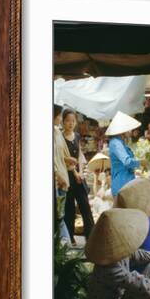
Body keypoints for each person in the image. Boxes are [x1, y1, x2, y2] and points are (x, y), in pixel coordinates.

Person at [61, 109, 94, 244]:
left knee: (85, 205)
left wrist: (82, 172)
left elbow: (79, 155)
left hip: (79, 176)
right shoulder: (60, 138)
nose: (70, 123)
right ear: (63, 121)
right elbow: (62, 158)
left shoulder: (77, 136)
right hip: (67, 176)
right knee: (69, 208)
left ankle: (91, 236)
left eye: (73, 121)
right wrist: (75, 173)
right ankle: (70, 238)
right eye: (68, 121)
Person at [105, 111, 144, 198]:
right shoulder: (116, 143)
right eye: (128, 128)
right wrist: (140, 162)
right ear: (122, 130)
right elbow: (127, 162)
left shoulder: (121, 142)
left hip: (126, 184)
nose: (130, 131)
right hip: (122, 184)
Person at [53, 104, 71, 242]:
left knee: (60, 215)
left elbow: (61, 155)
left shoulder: (57, 132)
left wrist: (69, 159)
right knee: (59, 217)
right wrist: (58, 175)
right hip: (56, 181)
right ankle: (66, 245)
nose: (60, 118)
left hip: (62, 180)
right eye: (59, 116)